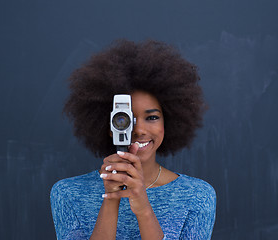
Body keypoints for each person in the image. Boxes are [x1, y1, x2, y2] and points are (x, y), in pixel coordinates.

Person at [50, 39, 216, 240]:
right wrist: (111, 199)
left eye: (152, 117)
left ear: (169, 122)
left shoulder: (197, 196)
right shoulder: (68, 194)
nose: (139, 130)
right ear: (108, 126)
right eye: (124, 119)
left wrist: (143, 208)